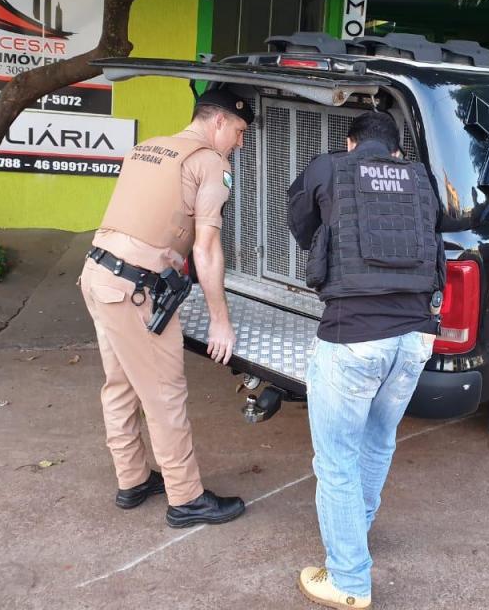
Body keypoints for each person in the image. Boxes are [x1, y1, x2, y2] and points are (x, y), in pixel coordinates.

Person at [287, 111, 445, 609]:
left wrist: (331, 241)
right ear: (397, 151)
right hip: (416, 338)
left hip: (353, 337)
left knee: (336, 461)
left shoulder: (329, 167)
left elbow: (300, 222)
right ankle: (354, 534)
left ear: (351, 143)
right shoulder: (421, 178)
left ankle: (349, 582)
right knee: (377, 443)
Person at [79, 83, 254, 527]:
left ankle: (133, 479)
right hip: (134, 290)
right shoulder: (210, 162)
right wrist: (220, 321)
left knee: (120, 385)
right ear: (219, 121)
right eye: (239, 131)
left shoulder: (148, 147)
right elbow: (206, 248)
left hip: (98, 274)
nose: (240, 142)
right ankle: (186, 498)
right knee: (165, 395)